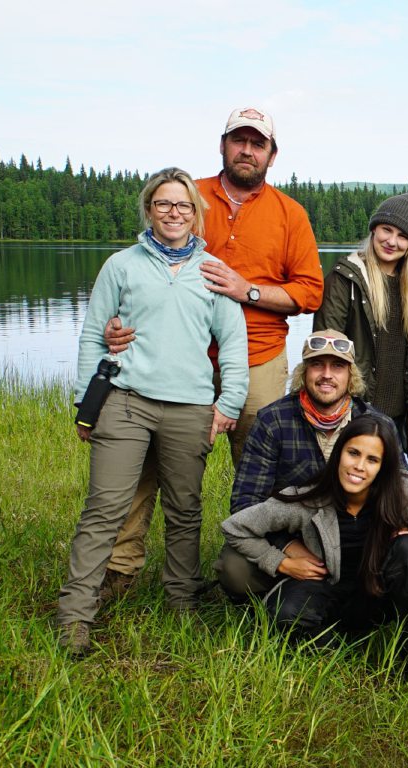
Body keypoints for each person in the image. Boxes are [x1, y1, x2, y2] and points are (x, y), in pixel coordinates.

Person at [98, 106, 324, 600]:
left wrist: (251, 291)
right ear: (222, 145)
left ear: (272, 153)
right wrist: (115, 324)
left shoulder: (290, 214)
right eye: (238, 140)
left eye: (257, 143)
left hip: (260, 360)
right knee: (143, 469)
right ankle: (120, 570)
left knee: (262, 472)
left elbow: (309, 292)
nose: (247, 150)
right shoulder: (187, 197)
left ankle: (257, 573)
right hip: (176, 363)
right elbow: (144, 268)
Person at [56, 167, 248, 656]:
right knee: (105, 509)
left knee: (184, 511)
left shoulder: (212, 271)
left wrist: (228, 404)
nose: (173, 213)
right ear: (149, 210)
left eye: (183, 205)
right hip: (126, 402)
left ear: (196, 213)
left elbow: (232, 343)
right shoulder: (121, 265)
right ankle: (76, 616)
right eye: (163, 204)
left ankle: (181, 603)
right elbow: (93, 334)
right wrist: (87, 401)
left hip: (190, 409)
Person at [219, 414, 408, 675]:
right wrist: (280, 562)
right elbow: (235, 527)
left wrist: (407, 533)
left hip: (376, 590)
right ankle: (335, 651)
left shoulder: (403, 490)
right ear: (339, 454)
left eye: (372, 460)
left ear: (384, 467)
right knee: (285, 614)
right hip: (326, 588)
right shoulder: (306, 499)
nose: (359, 466)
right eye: (353, 453)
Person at [214, 329, 386, 597]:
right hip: (295, 537)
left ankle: (354, 596)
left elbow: (397, 495)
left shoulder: (376, 424)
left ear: (351, 375)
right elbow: (246, 503)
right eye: (317, 364)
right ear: (303, 372)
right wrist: (285, 553)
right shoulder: (272, 420)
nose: (327, 374)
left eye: (337, 366)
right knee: (233, 568)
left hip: (357, 536)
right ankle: (294, 589)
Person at [314, 193, 408, 447]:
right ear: (374, 229)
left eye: (403, 236)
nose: (392, 241)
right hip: (353, 412)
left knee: (393, 485)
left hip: (397, 417)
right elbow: (324, 346)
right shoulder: (345, 279)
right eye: (387, 230)